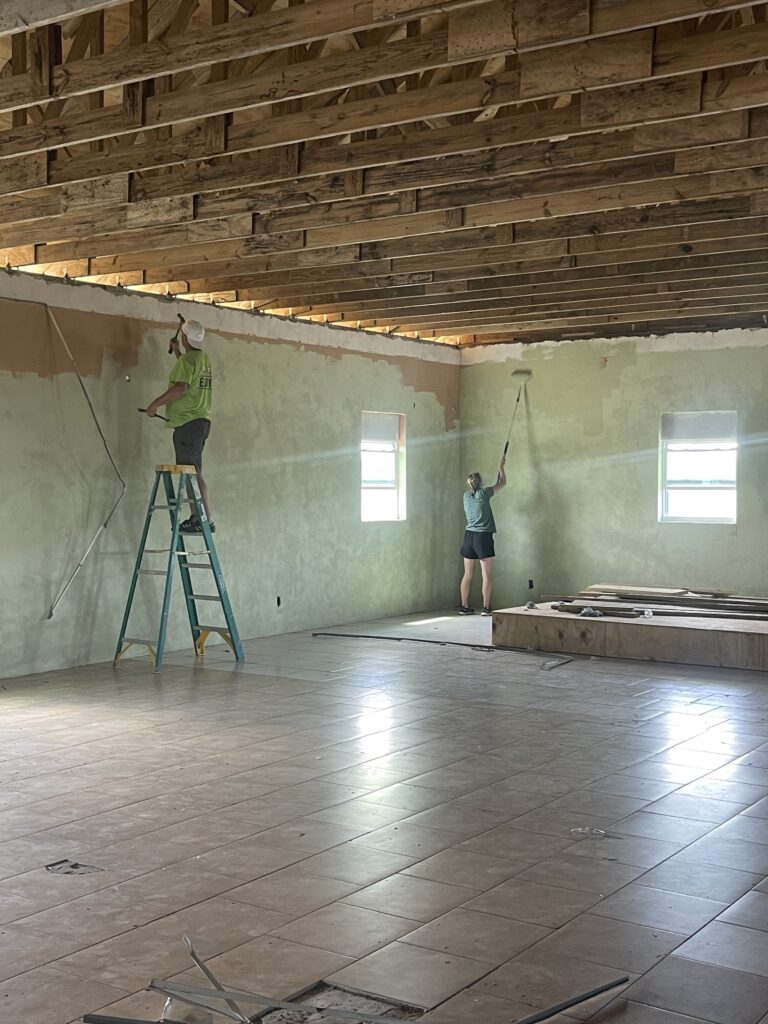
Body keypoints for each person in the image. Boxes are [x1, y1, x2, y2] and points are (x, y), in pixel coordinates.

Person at [145, 319, 214, 534]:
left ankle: (201, 518)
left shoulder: (187, 362)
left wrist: (155, 404)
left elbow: (181, 387)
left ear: (185, 337)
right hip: (201, 422)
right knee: (195, 472)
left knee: (192, 474)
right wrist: (177, 352)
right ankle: (203, 518)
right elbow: (189, 377)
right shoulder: (202, 360)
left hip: (187, 424)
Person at [459, 456, 506, 616]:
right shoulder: (484, 493)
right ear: (481, 483)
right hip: (482, 538)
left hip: (469, 537)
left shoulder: (466, 496)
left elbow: (496, 486)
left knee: (467, 574)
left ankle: (464, 607)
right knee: (486, 575)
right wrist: (501, 467)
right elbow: (502, 483)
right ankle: (486, 608)